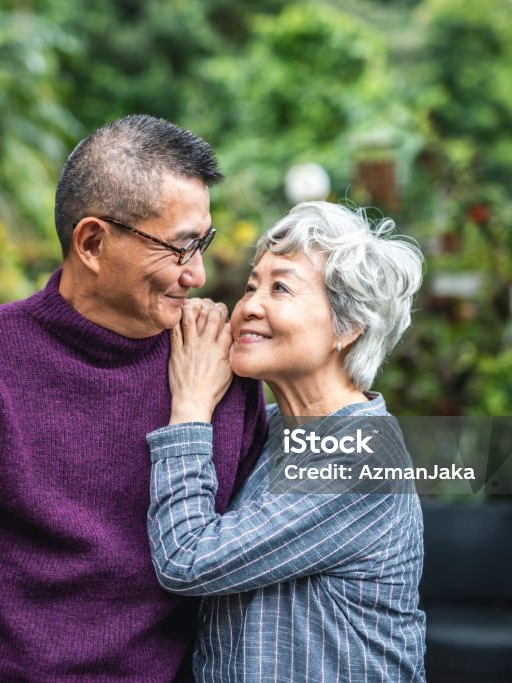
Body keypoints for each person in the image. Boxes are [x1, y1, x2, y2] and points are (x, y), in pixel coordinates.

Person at [0, 115, 268, 681]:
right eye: (179, 249)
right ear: (92, 243)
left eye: (202, 243)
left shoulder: (218, 372)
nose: (198, 275)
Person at [146, 201, 427, 681]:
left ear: (348, 327)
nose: (250, 305)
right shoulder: (271, 428)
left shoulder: (362, 459)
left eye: (280, 287)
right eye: (252, 285)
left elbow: (187, 558)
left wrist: (190, 408)